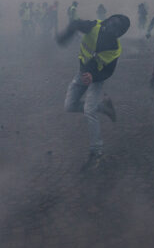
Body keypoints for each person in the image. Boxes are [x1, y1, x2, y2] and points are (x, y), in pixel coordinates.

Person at [56, 13, 130, 170]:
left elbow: (109, 71)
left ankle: (96, 153)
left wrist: (94, 75)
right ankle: (104, 107)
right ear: (108, 20)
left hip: (96, 79)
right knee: (69, 106)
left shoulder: (115, 48)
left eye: (116, 28)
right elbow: (76, 23)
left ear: (119, 33)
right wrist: (65, 37)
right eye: (111, 23)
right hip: (81, 72)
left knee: (89, 111)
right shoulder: (94, 27)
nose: (110, 28)